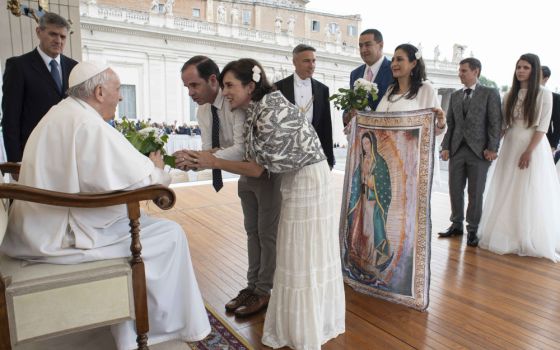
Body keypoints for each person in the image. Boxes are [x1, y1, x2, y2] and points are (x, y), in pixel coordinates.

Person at [0, 62, 210, 349]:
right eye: (117, 90)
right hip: (61, 233)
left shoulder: (59, 112)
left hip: (41, 223)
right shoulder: (87, 123)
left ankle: (128, 326)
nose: (121, 97)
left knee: (150, 230)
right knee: (170, 234)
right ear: (99, 92)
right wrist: (158, 169)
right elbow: (143, 184)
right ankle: (160, 329)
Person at [192, 58, 345, 349]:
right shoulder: (258, 107)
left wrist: (213, 160)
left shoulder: (268, 111)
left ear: (251, 86)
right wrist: (205, 157)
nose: (225, 92)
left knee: (299, 252)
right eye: (223, 85)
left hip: (306, 179)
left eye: (229, 85)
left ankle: (303, 326)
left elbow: (256, 168)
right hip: (295, 177)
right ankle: (299, 319)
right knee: (294, 252)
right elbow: (250, 155)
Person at [174, 56, 282, 317]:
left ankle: (264, 291)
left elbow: (240, 147)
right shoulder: (203, 111)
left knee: (267, 235)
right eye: (186, 87)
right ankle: (252, 286)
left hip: (263, 171)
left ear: (213, 80)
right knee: (251, 232)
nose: (191, 93)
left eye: (194, 85)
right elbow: (214, 150)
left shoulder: (238, 103)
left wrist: (206, 159)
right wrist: (195, 160)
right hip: (242, 172)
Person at [478, 54, 560, 261]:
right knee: (507, 186)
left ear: (534, 71)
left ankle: (527, 235)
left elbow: (542, 127)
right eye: (518, 67)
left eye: (525, 67)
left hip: (532, 145)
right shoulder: (509, 94)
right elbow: (504, 125)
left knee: (528, 189)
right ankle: (507, 233)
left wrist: (529, 151)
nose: (521, 71)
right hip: (511, 144)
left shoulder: (544, 94)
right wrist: (492, 146)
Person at [439, 57, 502, 247]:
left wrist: (492, 148)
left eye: (464, 71)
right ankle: (456, 224)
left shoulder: (490, 93)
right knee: (454, 189)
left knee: (476, 193)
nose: (460, 74)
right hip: (457, 150)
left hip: (480, 152)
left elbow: (495, 123)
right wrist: (446, 146)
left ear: (476, 72)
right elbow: (451, 124)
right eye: (460, 70)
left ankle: (473, 230)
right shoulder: (456, 96)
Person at [1, 12, 78, 162]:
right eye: (53, 34)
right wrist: (14, 161)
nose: (58, 41)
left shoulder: (74, 67)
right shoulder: (18, 66)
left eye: (62, 37)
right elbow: (11, 118)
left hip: (68, 154)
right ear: (39, 32)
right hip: (33, 155)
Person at [274, 44, 335, 168]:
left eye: (314, 61)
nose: (311, 65)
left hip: (314, 155)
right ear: (294, 62)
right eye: (306, 61)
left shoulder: (323, 90)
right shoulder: (278, 88)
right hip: (286, 155)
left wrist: (329, 159)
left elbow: (326, 127)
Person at [346, 132, 392, 281]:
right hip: (362, 200)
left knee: (371, 231)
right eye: (363, 144)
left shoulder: (380, 162)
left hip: (373, 202)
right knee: (362, 230)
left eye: (368, 143)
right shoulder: (362, 160)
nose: (366, 147)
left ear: (373, 144)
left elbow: (385, 186)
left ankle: (372, 261)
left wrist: (371, 181)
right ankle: (361, 259)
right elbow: (356, 180)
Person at [376, 44, 446, 132]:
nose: (393, 64)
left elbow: (430, 132)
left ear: (413, 63)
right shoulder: (390, 89)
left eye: (399, 59)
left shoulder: (425, 89)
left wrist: (441, 124)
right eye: (393, 60)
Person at [343, 29, 393, 126]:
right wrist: (347, 115)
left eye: (368, 45)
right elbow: (350, 105)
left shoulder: (393, 70)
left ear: (381, 45)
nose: (363, 50)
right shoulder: (355, 74)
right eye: (360, 46)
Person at [541, 66, 560, 152]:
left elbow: (557, 124)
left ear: (546, 79)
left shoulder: (555, 98)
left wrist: (553, 146)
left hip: (545, 142)